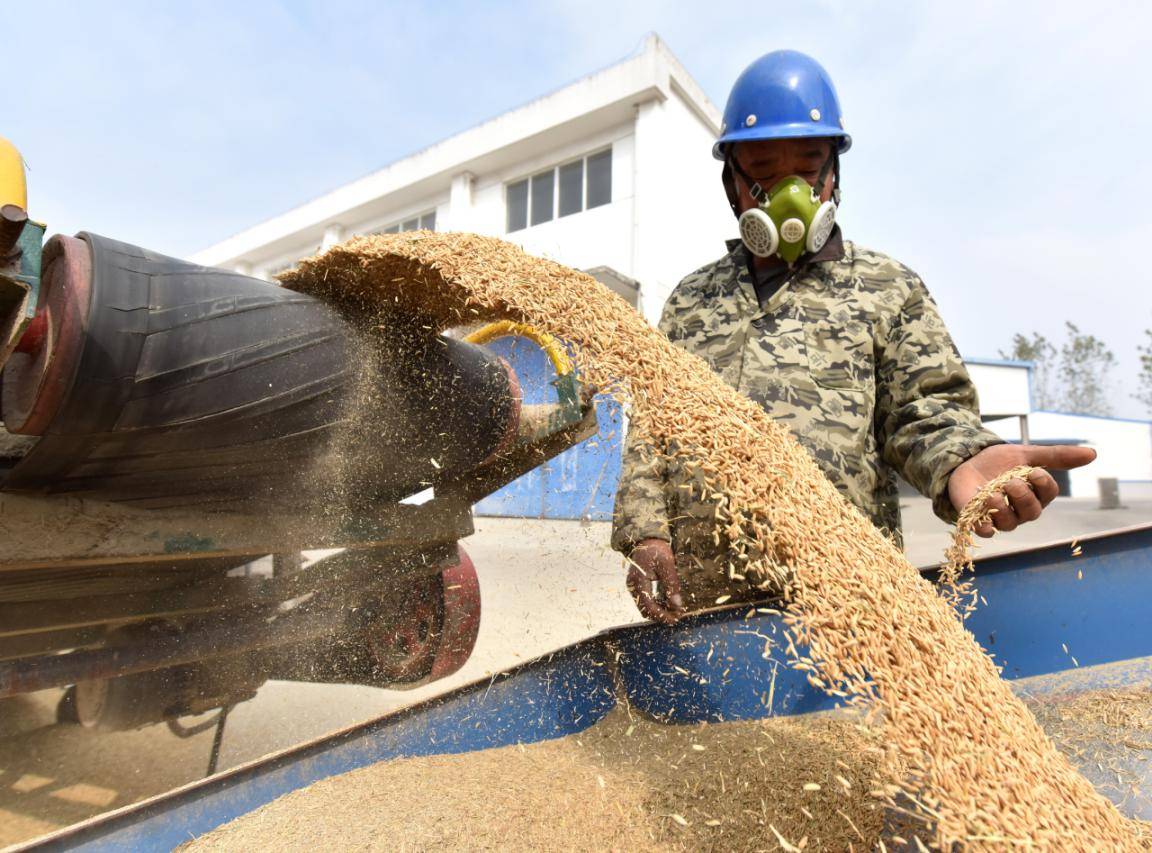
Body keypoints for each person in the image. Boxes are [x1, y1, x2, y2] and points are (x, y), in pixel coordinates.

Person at [611, 50, 1095, 624]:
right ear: (733, 184)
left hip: (845, 607)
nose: (788, 193)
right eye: (764, 171)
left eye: (807, 167)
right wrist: (645, 532)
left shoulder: (888, 289)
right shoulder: (692, 301)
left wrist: (963, 459)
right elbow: (652, 431)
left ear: (832, 173)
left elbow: (925, 410)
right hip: (702, 604)